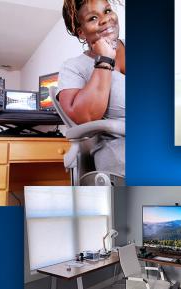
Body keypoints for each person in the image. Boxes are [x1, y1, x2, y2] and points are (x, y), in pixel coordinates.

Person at [58, 0, 125, 177]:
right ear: (81, 32)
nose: (105, 19)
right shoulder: (74, 67)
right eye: (93, 18)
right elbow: (84, 117)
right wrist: (105, 60)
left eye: (107, 11)